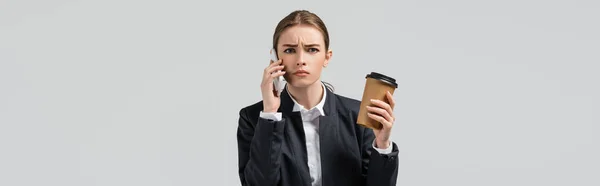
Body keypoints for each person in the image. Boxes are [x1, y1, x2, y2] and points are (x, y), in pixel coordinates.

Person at [237, 10, 399, 186]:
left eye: (312, 50)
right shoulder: (254, 118)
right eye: (290, 50)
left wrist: (382, 145)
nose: (300, 60)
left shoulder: (356, 115)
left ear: (327, 57)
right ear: (275, 57)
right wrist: (270, 115)